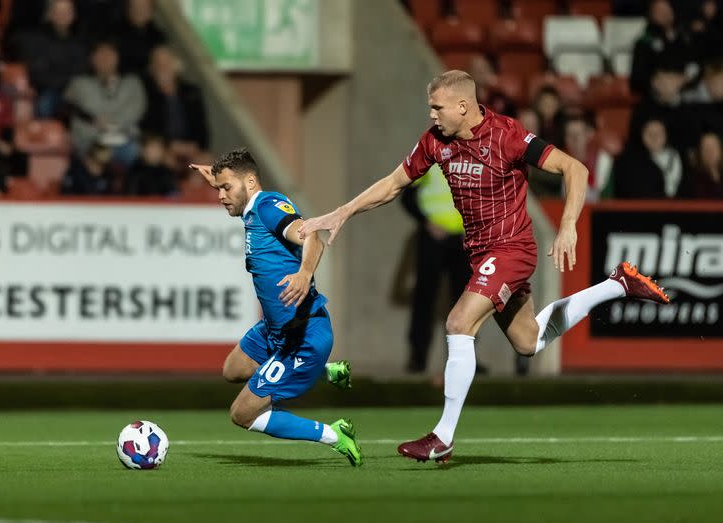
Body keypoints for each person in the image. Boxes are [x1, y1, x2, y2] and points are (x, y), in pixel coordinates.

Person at [299, 70, 670, 464]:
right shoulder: (434, 142)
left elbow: (574, 169)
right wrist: (344, 211)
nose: (432, 115)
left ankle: (442, 435)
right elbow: (393, 184)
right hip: (480, 254)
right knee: (528, 341)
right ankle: (618, 285)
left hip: (511, 248)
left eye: (437, 107)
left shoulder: (507, 135)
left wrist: (567, 228)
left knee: (458, 323)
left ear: (463, 106)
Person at [189, 148, 361, 467]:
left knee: (242, 414)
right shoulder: (251, 210)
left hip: (303, 335)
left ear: (251, 182)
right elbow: (237, 183)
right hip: (274, 329)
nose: (221, 196)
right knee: (233, 370)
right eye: (218, 189)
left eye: (226, 188)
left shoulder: (268, 205)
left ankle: (336, 435)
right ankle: (327, 373)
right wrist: (219, 176)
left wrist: (304, 273)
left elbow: (313, 238)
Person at [400, 164, 470, 374]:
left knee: (466, 302)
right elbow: (407, 197)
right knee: (424, 298)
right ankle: (417, 357)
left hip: (464, 240)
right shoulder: (429, 158)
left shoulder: (471, 156)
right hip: (433, 238)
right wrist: (426, 222)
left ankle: (465, 359)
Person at [64, 39, 146, 166]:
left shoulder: (132, 83)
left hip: (124, 139)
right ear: (92, 58)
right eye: (101, 53)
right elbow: (69, 108)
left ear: (117, 57)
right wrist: (93, 120)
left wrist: (111, 123)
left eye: (110, 54)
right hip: (90, 142)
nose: (105, 58)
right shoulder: (79, 83)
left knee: (137, 152)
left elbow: (136, 109)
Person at [123, 132, 177, 196]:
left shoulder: (167, 172)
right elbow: (131, 197)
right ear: (143, 150)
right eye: (152, 147)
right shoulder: (135, 172)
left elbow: (174, 194)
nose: (156, 151)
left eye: (158, 147)